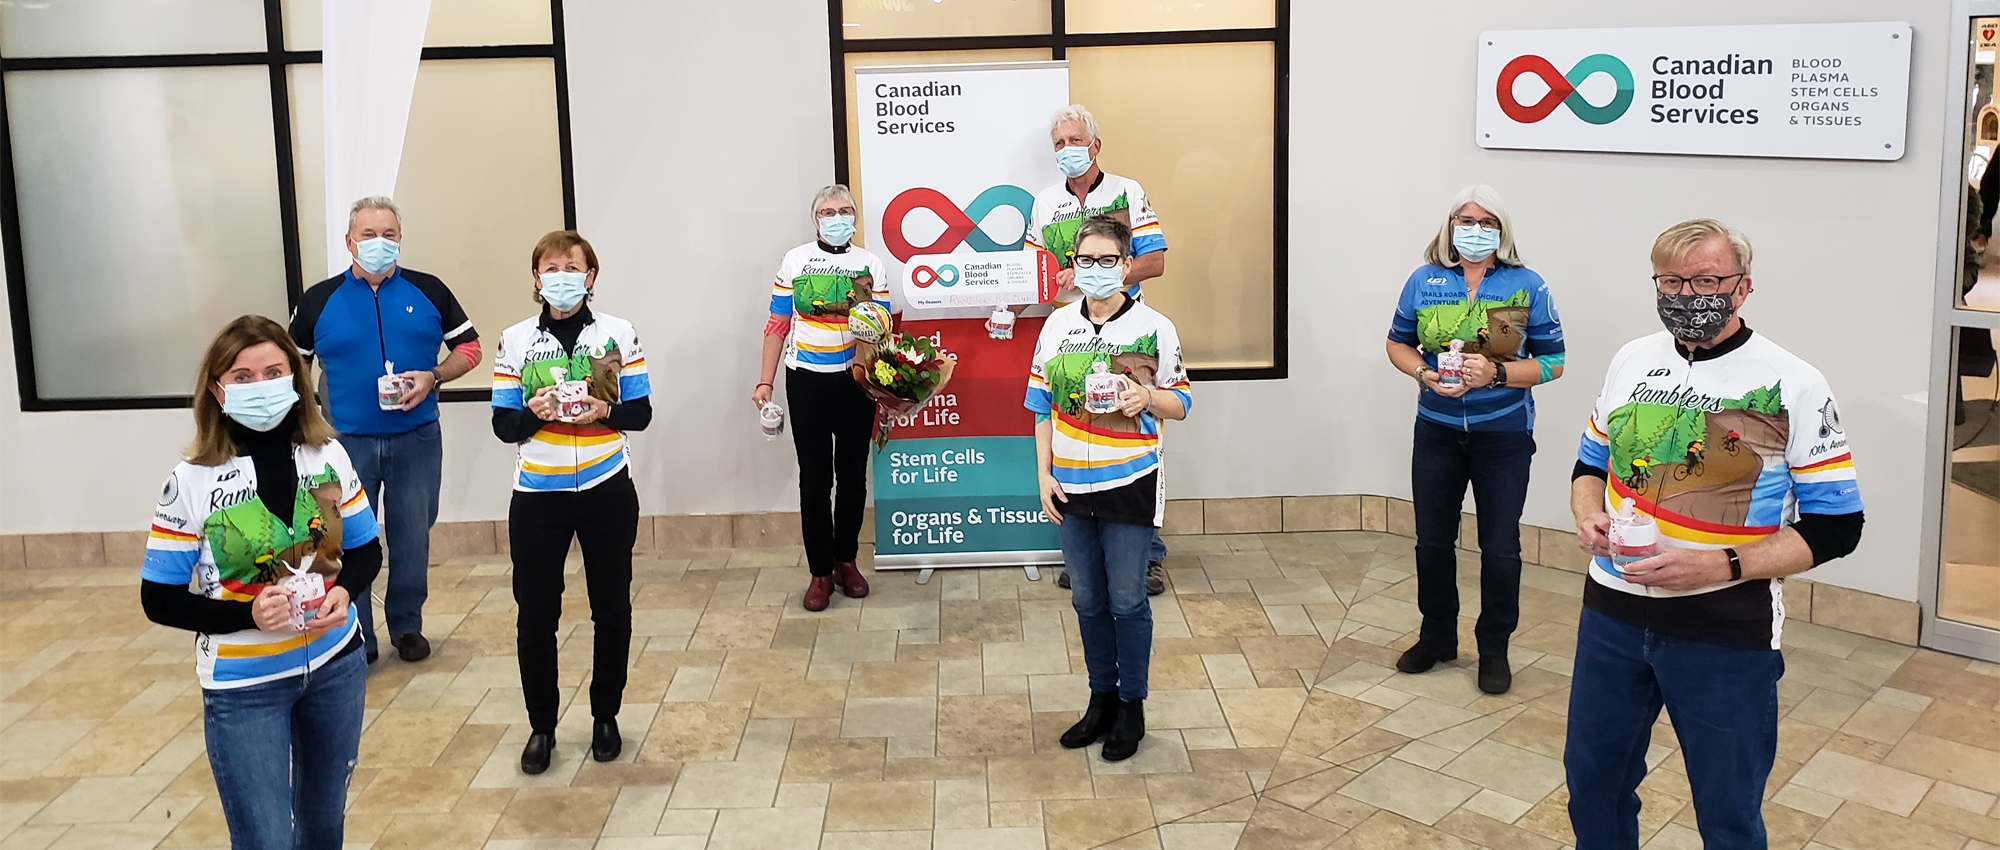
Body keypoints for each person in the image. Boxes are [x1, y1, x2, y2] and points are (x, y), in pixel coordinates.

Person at [1567, 219, 1865, 849]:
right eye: (1671, 280)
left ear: (1742, 287)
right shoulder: (1632, 359)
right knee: (1594, 786)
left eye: (1706, 279)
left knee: (1727, 814)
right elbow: (1590, 465)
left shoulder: (1794, 383)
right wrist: (1586, 511)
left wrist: (1722, 566)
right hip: (1611, 618)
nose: (1687, 293)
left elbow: (1838, 526)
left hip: (1726, 631)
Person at [140, 315, 382, 849]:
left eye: (274, 372)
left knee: (324, 824)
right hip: (245, 689)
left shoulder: (328, 456)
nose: (261, 386)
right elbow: (157, 599)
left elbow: (366, 550)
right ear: (216, 389)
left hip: (336, 668)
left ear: (296, 381)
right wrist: (245, 616)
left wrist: (345, 591)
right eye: (243, 376)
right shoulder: (191, 481)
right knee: (265, 838)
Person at [1383, 184, 1565, 695]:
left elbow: (1553, 362)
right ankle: (1437, 636)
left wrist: (1498, 374)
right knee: (1432, 541)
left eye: (1486, 222)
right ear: (1449, 226)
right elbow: (1397, 342)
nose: (1474, 229)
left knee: (1500, 547)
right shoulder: (1424, 280)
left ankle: (1494, 649)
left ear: (1501, 231)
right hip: (1436, 431)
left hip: (1503, 434)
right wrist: (1422, 373)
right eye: (1465, 220)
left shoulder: (1527, 284)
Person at [1027, 216, 1191, 762]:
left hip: (1130, 480)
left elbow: (1183, 403)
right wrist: (1044, 474)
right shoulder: (1055, 328)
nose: (1094, 271)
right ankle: (1099, 699)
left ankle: (1132, 706)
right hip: (1070, 484)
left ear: (1125, 266)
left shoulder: (1155, 327)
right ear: (1073, 265)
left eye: (1106, 261)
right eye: (1085, 261)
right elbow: (1039, 407)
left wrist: (1147, 399)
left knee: (1126, 599)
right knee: (1086, 598)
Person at [290, 196, 481, 664]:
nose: (379, 243)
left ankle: (407, 625)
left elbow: (471, 349)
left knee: (412, 535)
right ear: (349, 241)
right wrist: (307, 418)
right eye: (369, 235)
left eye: (389, 235)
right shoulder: (319, 299)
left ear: (400, 239)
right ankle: (357, 634)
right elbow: (292, 363)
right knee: (345, 540)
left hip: (416, 438)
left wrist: (434, 375)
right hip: (341, 445)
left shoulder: (429, 291)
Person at [491, 231, 651, 774]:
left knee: (612, 607)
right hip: (538, 496)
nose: (561, 275)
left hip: (608, 488)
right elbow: (504, 425)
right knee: (536, 614)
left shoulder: (618, 333)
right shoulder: (515, 340)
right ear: (536, 278)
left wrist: (603, 414)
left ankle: (606, 716)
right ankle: (543, 726)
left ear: (590, 276)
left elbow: (642, 412)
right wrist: (536, 412)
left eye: (572, 266)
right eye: (550, 267)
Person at [1024, 104, 1172, 596]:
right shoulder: (1044, 203)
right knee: (1075, 430)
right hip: (1070, 333)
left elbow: (1155, 261)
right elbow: (1033, 273)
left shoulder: (1128, 191)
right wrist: (1015, 302)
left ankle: (1147, 555)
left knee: (1137, 438)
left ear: (1095, 145)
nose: (1067, 150)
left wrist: (1100, 272)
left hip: (1129, 333)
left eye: (1075, 140)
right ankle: (1081, 549)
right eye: (1059, 143)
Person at [752, 185, 886, 611]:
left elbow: (881, 331)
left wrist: (883, 390)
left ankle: (846, 560)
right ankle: (819, 572)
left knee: (852, 477)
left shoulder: (871, 264)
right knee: (814, 480)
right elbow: (777, 323)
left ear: (855, 217)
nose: (837, 216)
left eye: (845, 210)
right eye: (828, 211)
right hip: (806, 380)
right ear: (816, 220)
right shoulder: (795, 260)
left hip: (855, 382)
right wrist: (764, 382)